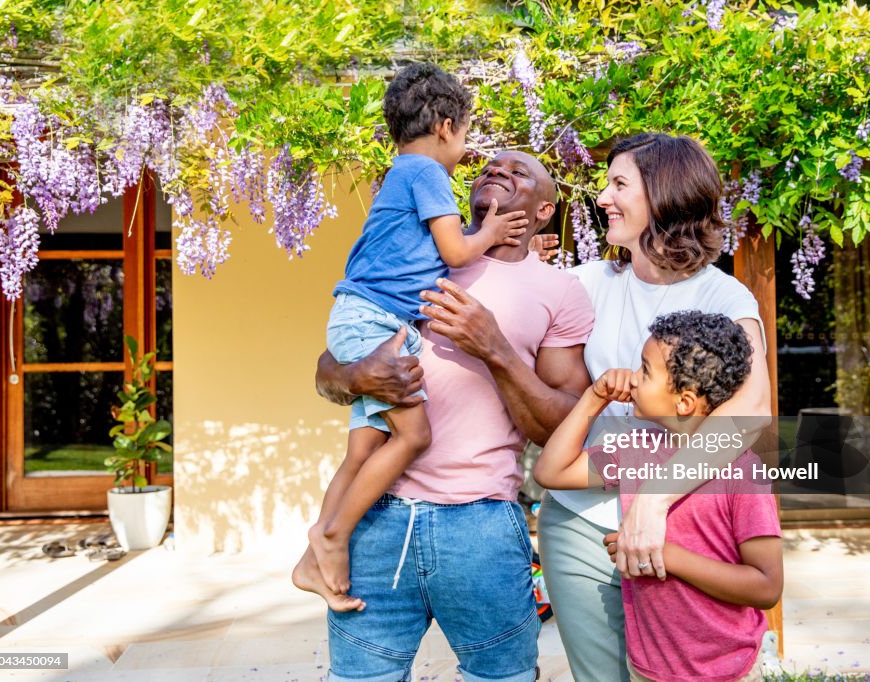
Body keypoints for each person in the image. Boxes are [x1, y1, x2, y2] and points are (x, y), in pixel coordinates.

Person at [311, 150, 595, 682]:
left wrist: (496, 349)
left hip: (481, 525)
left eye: (519, 172)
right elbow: (328, 370)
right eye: (489, 168)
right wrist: (355, 376)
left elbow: (560, 425)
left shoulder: (561, 291)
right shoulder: (419, 255)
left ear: (543, 212)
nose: (497, 171)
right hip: (378, 518)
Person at [536, 133, 773, 681]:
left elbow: (752, 408)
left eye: (619, 184)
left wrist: (652, 502)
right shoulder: (585, 282)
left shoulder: (725, 297)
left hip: (683, 528)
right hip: (581, 522)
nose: (601, 197)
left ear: (663, 199)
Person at [291, 63, 528, 601]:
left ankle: (312, 562)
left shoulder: (402, 173)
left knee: (363, 450)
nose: (467, 149)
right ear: (445, 126)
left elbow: (435, 255)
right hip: (374, 321)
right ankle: (330, 535)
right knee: (415, 436)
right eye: (466, 134)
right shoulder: (427, 174)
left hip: (362, 318)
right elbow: (456, 253)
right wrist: (490, 231)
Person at [533, 310, 783, 682]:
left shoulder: (742, 474)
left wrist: (665, 557)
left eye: (646, 371)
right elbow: (550, 473)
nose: (633, 378)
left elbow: (766, 586)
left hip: (731, 670)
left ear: (683, 402)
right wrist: (592, 398)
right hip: (650, 668)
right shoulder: (637, 451)